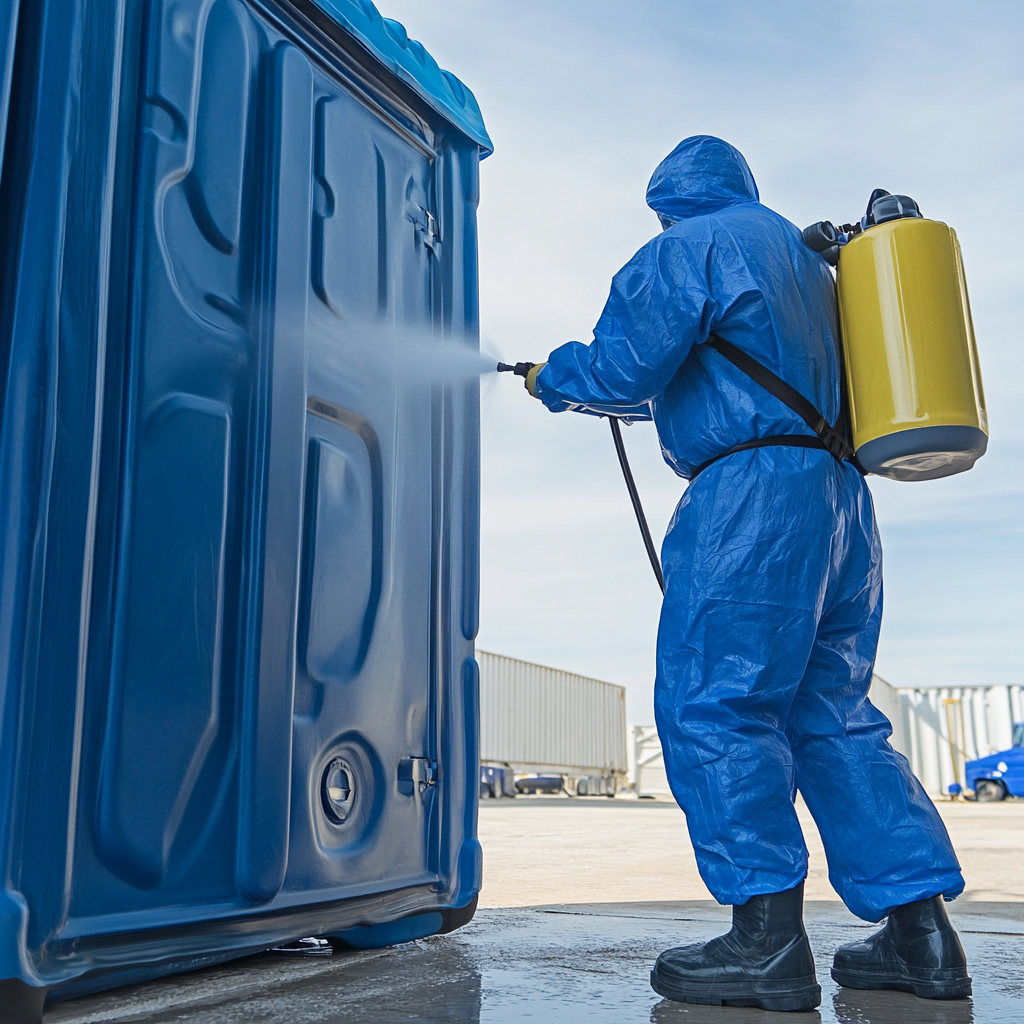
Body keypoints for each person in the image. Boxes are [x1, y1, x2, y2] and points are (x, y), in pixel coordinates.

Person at [521, 136, 970, 1012]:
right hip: (844, 502)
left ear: (670, 199)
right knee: (833, 715)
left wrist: (551, 377)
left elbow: (621, 368)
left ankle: (763, 942)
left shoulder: (686, 248)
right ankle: (923, 940)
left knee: (716, 700)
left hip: (750, 496)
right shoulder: (823, 268)